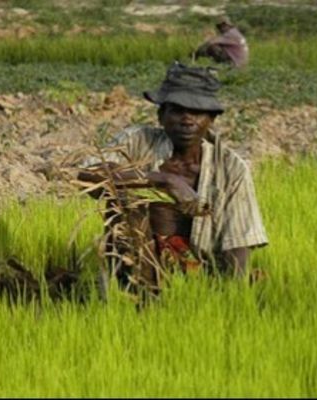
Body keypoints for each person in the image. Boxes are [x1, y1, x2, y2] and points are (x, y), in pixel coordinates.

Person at [77, 62, 268, 294]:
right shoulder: (137, 141)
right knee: (127, 204)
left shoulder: (231, 168)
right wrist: (163, 180)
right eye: (177, 110)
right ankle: (137, 296)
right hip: (135, 264)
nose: (187, 119)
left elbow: (237, 241)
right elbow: (87, 176)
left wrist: (232, 297)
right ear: (161, 115)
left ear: (212, 119)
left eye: (196, 112)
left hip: (199, 269)